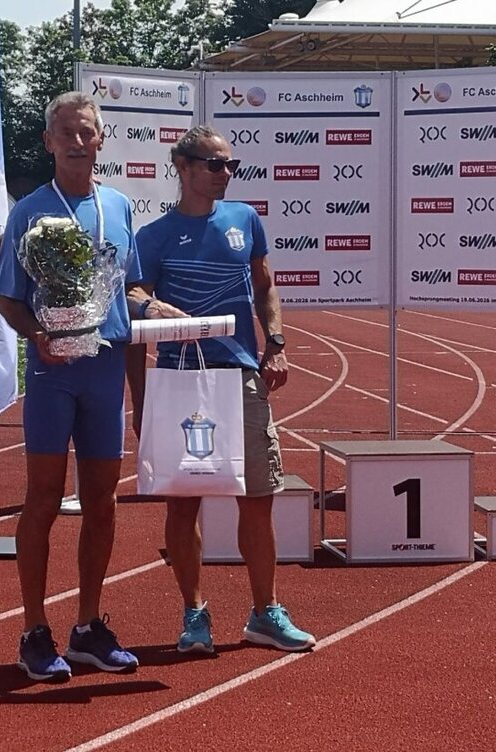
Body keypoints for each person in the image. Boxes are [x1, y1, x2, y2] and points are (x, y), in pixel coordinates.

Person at [126, 124, 316, 654]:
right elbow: (132, 291)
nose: (225, 174)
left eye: (230, 164)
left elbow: (264, 283)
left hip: (238, 376)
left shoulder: (244, 220)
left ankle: (265, 612)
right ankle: (194, 616)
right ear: (182, 168)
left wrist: (275, 343)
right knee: (183, 505)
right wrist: (148, 305)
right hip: (180, 378)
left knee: (257, 498)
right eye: (214, 164)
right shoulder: (155, 235)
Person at [0, 91, 142, 682]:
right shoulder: (30, 211)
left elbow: (127, 289)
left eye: (87, 132)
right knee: (44, 498)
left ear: (100, 138)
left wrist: (156, 309)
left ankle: (88, 625)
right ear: (48, 142)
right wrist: (37, 336)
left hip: (105, 369)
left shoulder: (120, 206)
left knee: (103, 500)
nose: (78, 142)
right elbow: (7, 296)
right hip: (54, 373)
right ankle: (34, 629)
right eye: (66, 133)